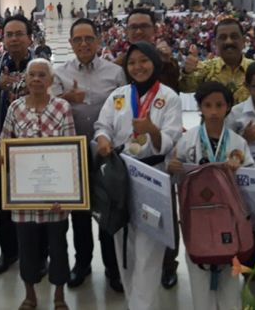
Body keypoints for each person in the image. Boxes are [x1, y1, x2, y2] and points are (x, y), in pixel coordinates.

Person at [94, 42, 183, 310]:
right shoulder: (119, 95)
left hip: (152, 174)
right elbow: (103, 125)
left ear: (154, 63)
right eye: (132, 62)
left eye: (144, 61)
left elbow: (172, 136)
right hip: (121, 174)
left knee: (149, 249)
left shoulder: (169, 97)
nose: (138, 67)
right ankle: (135, 302)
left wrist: (152, 130)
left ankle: (142, 306)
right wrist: (102, 141)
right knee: (125, 247)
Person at [51, 18, 126, 291]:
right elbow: (49, 109)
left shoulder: (115, 73)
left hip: (108, 153)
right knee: (80, 215)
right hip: (75, 155)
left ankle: (113, 267)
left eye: (88, 38)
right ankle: (82, 263)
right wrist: (68, 99)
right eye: (78, 39)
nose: (83, 44)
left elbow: (124, 111)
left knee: (109, 211)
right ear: (70, 43)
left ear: (98, 41)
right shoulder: (59, 73)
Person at [167, 82, 254, 310]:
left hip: (230, 219)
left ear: (228, 107)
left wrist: (240, 173)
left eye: (219, 105)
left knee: (230, 282)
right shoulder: (188, 139)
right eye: (207, 105)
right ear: (199, 108)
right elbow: (177, 178)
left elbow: (252, 179)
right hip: (197, 218)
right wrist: (173, 167)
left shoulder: (238, 142)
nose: (213, 112)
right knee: (199, 281)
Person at [0, 59, 76, 310]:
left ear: (51, 80)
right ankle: (30, 294)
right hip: (24, 196)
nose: (36, 79)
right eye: (32, 75)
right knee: (27, 247)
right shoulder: (15, 108)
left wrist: (65, 194)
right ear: (26, 79)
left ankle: (59, 294)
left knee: (58, 246)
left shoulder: (63, 108)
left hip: (56, 196)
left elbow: (69, 152)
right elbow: (4, 145)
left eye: (42, 75)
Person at [0, 15, 34, 274]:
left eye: (19, 34)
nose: (14, 39)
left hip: (32, 146)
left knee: (34, 202)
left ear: (29, 37)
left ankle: (39, 254)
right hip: (2, 145)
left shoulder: (40, 63)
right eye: (9, 34)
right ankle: (8, 252)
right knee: (2, 202)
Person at [179, 17, 253, 103]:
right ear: (215, 43)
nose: (229, 41)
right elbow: (184, 88)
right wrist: (187, 71)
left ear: (244, 41)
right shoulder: (205, 68)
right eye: (223, 37)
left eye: (234, 37)